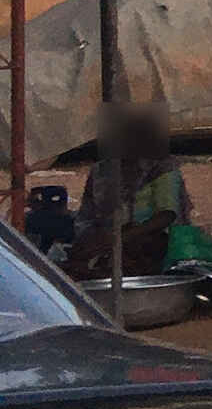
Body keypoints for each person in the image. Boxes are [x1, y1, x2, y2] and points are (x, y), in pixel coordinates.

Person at [68, 102, 193, 282]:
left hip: (149, 239)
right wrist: (95, 238)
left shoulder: (161, 168)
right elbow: (86, 217)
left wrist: (121, 238)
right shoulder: (100, 172)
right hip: (108, 238)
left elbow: (167, 215)